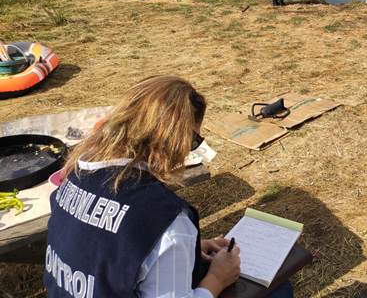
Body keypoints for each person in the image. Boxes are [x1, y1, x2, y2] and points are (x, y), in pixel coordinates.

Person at [43, 75, 294, 298]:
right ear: (174, 141)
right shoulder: (166, 220)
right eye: (193, 140)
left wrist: (188, 249)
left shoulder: (76, 175)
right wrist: (217, 278)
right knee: (278, 290)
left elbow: (102, 246)